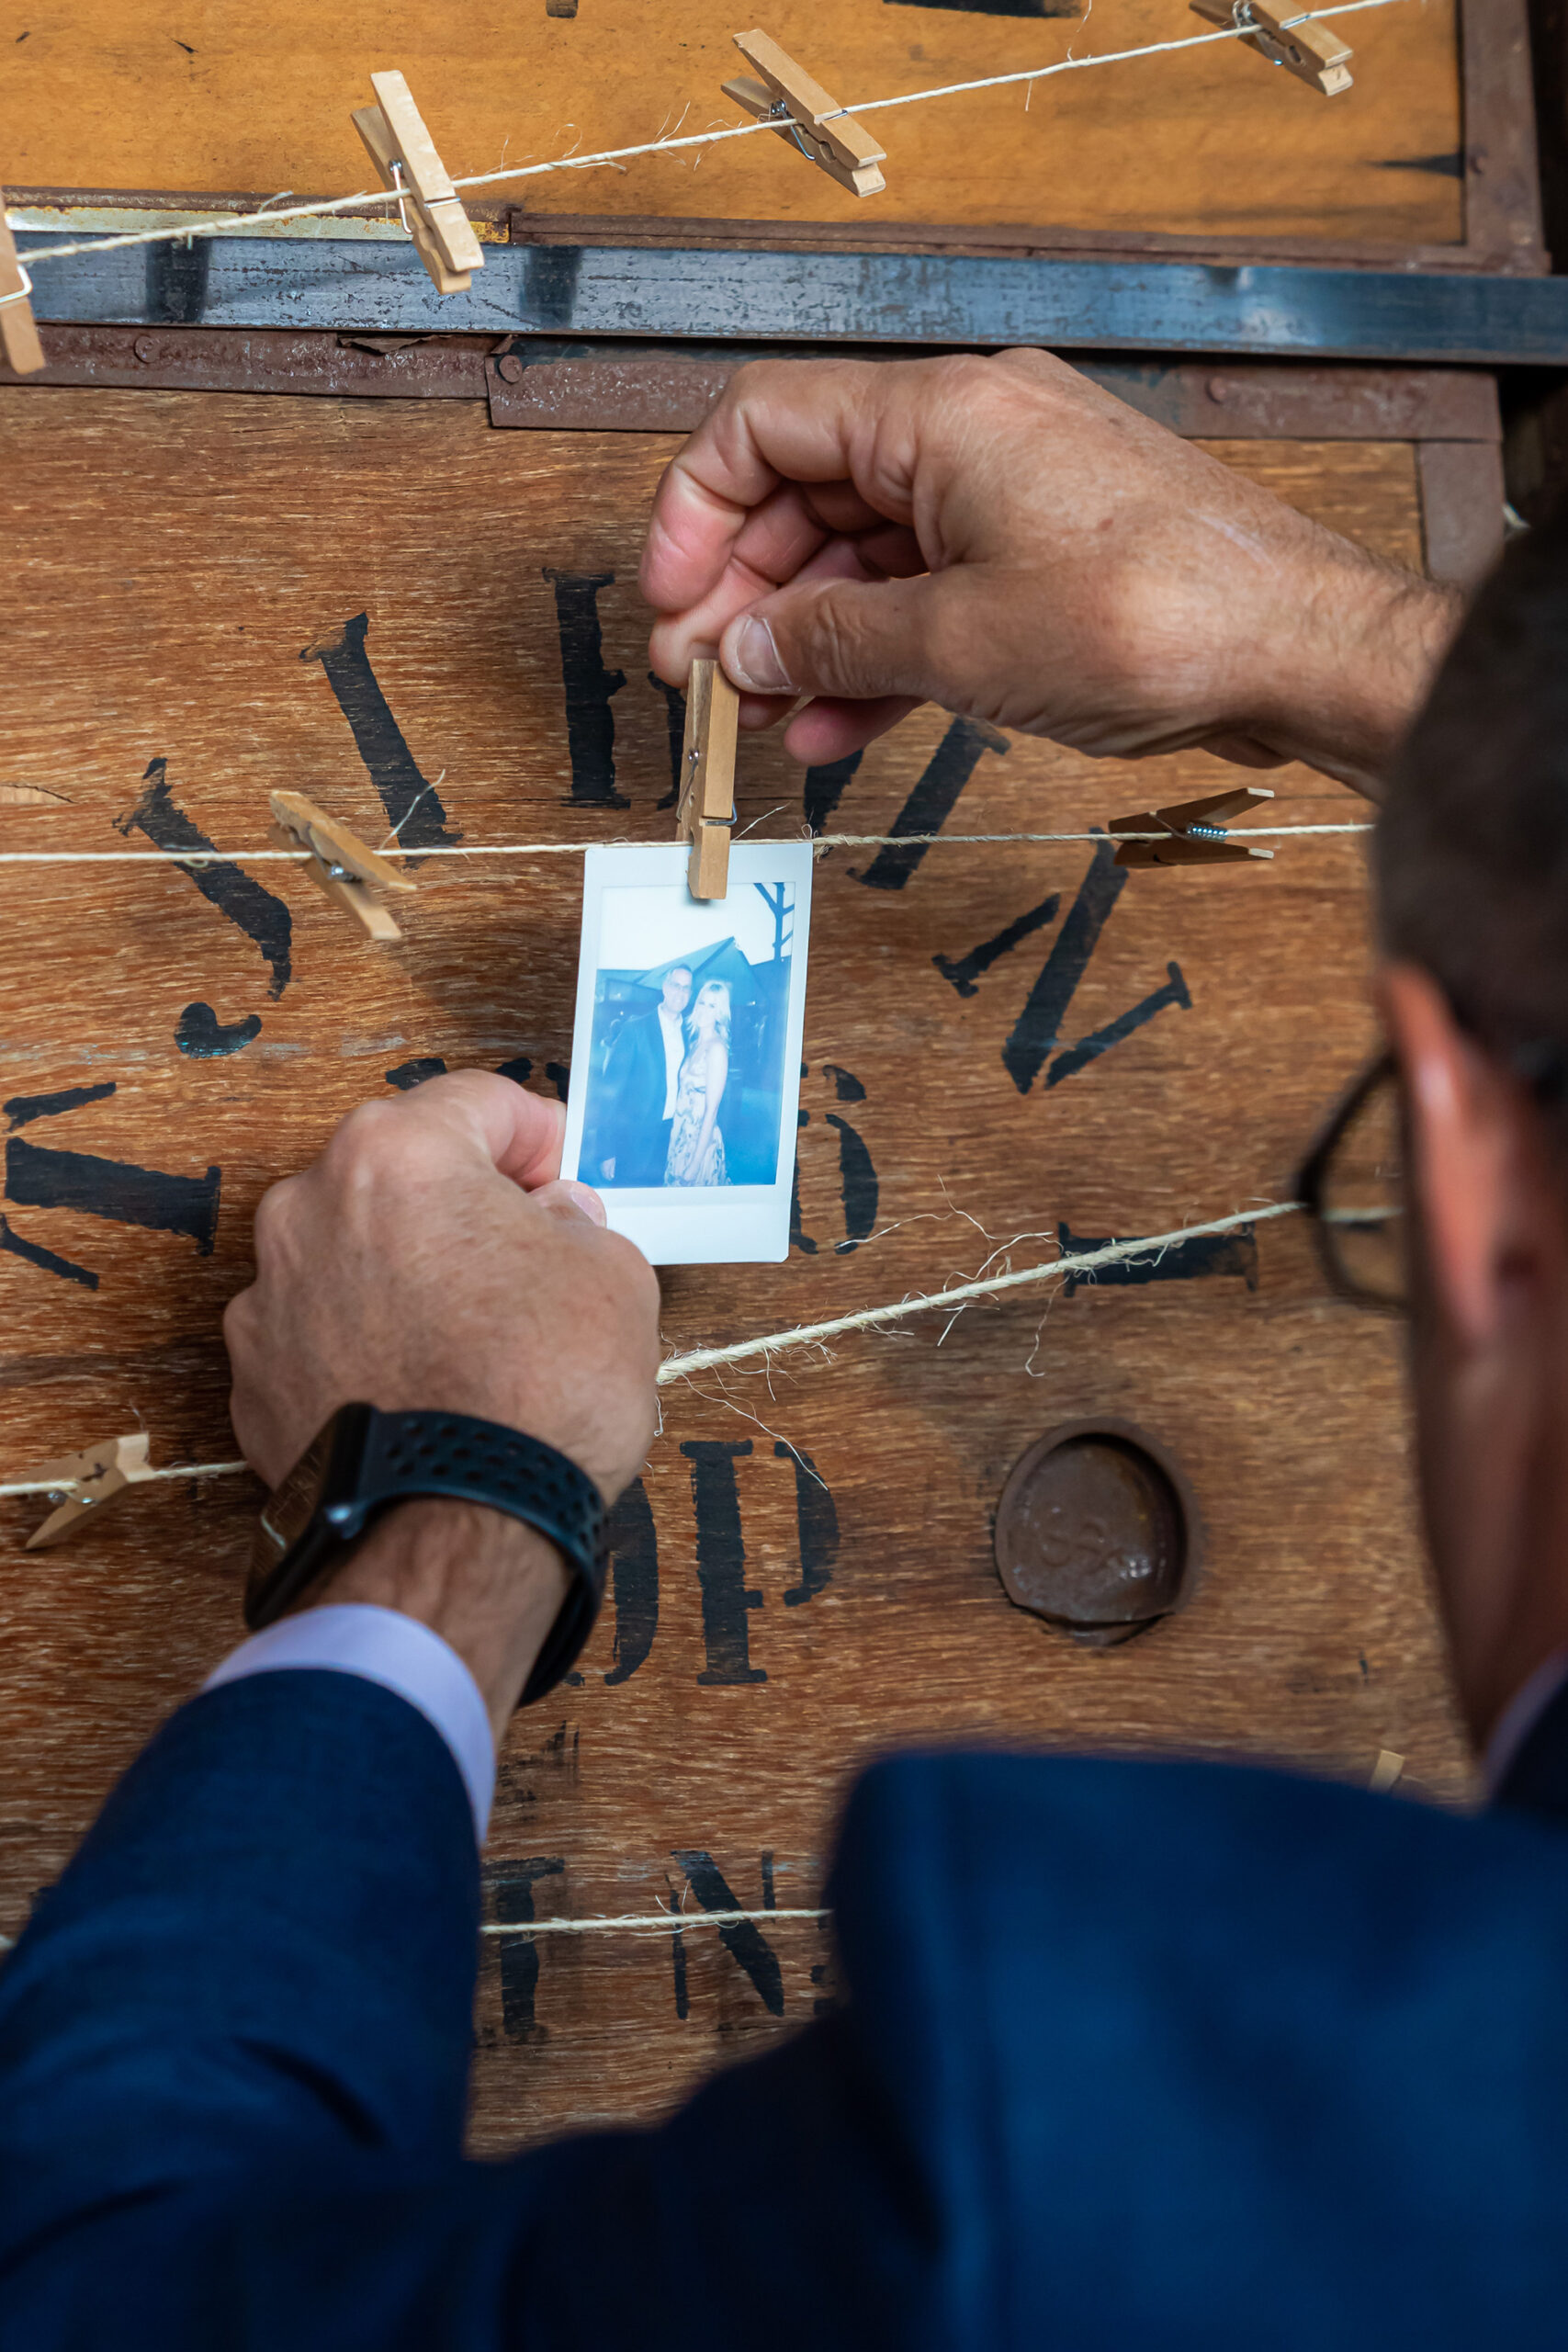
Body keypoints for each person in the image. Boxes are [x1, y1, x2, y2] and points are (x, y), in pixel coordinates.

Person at [5, 349, 1568, 2346]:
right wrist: (1317, 641)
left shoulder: (1121, 2151)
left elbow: (93, 2275)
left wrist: (444, 1510)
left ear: (1479, 1197)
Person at [594, 962, 691, 1186]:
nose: (681, 993)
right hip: (633, 1140)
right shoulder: (635, 1029)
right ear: (665, 988)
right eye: (677, 985)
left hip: (673, 1137)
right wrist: (607, 1150)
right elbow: (610, 1091)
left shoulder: (689, 1032)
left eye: (687, 988)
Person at [664, 978, 730, 1186]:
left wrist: (693, 1168)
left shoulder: (717, 1049)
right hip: (680, 1136)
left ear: (720, 1013)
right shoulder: (694, 1044)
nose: (704, 1009)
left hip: (699, 1145)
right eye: (702, 1002)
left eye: (712, 1006)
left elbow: (712, 1111)